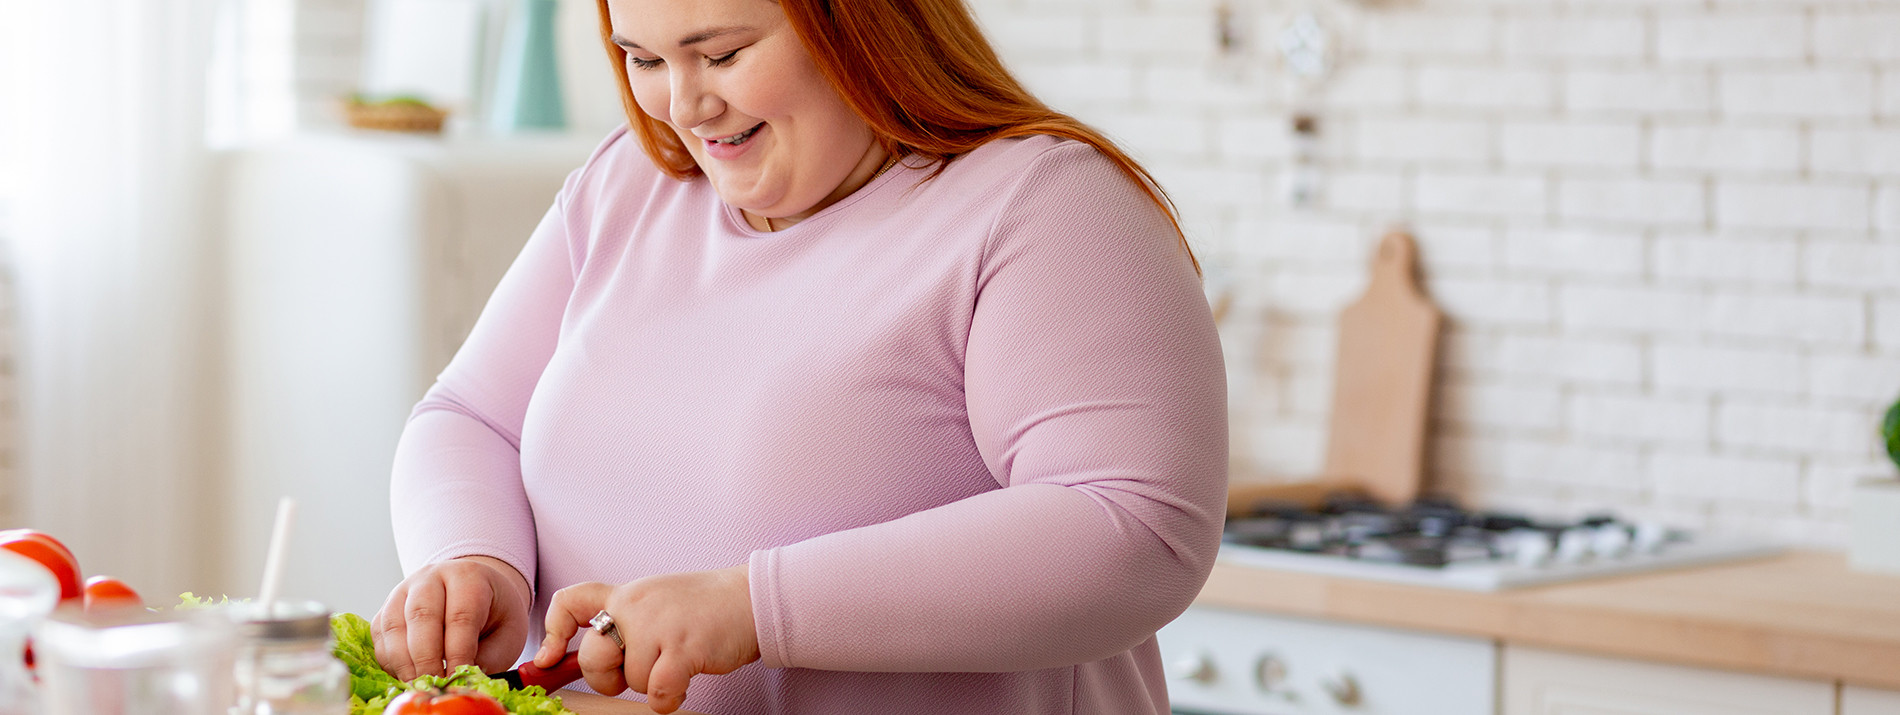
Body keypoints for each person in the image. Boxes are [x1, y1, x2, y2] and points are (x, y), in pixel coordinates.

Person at [368, 0, 1228, 711]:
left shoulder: (1043, 207)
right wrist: (474, 557)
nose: (681, 105)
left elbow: (1134, 528)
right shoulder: (630, 184)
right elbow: (473, 416)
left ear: (859, 24)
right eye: (643, 59)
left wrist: (753, 608)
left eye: (723, 54)